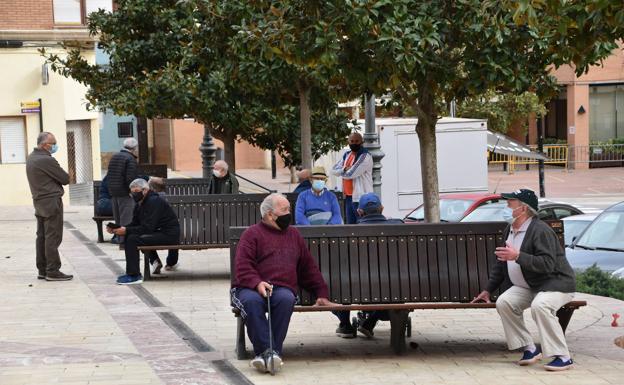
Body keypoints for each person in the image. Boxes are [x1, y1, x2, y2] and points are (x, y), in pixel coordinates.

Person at [471, 189, 576, 371]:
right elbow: (501, 263)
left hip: (555, 284)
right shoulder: (509, 230)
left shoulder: (540, 231)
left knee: (540, 306)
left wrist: (518, 256)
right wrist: (488, 289)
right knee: (504, 302)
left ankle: (563, 356)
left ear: (523, 208)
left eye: (510, 203)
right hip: (530, 285)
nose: (507, 206)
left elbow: (548, 265)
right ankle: (530, 348)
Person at [231, 193, 334, 373]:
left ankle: (266, 356)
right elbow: (242, 266)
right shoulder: (252, 234)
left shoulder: (293, 235)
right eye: (284, 209)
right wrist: (257, 283)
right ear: (270, 214)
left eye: (289, 209)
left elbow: (307, 268)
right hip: (249, 286)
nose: (289, 213)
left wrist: (321, 293)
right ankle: (269, 353)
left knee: (286, 299)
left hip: (281, 288)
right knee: (252, 302)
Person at [108, 178, 180, 285]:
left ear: (145, 190)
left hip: (168, 235)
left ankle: (135, 275)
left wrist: (126, 230)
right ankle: (132, 273)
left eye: (136, 192)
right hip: (158, 232)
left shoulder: (154, 201)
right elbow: (135, 223)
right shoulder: (140, 203)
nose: (133, 194)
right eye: (132, 192)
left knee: (133, 239)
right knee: (130, 235)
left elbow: (148, 228)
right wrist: (118, 228)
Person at [26, 132, 73, 281]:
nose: (55, 146)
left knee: (42, 236)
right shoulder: (46, 160)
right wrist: (69, 175)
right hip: (51, 201)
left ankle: (42, 269)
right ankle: (52, 270)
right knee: (53, 236)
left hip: (39, 201)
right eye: (53, 143)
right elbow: (65, 178)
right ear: (45, 145)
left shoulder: (32, 157)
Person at [331, 132, 373, 224]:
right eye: (352, 141)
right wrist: (345, 168)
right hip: (348, 197)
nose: (354, 143)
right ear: (348, 142)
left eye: (357, 141)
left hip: (361, 197)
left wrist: (343, 171)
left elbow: (351, 174)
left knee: (362, 225)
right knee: (350, 226)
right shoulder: (347, 155)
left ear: (362, 142)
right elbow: (333, 170)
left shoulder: (365, 156)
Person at [107, 138, 139, 246]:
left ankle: (119, 240)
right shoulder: (130, 159)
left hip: (114, 192)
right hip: (124, 193)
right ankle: (125, 242)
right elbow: (130, 178)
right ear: (134, 148)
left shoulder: (115, 156)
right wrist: (132, 192)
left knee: (118, 218)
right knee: (126, 218)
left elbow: (110, 175)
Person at [147, 177, 179, 273]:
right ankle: (170, 263)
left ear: (151, 188)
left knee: (142, 237)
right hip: (176, 233)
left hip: (158, 233)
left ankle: (155, 261)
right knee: (174, 234)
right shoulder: (171, 199)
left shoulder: (150, 200)